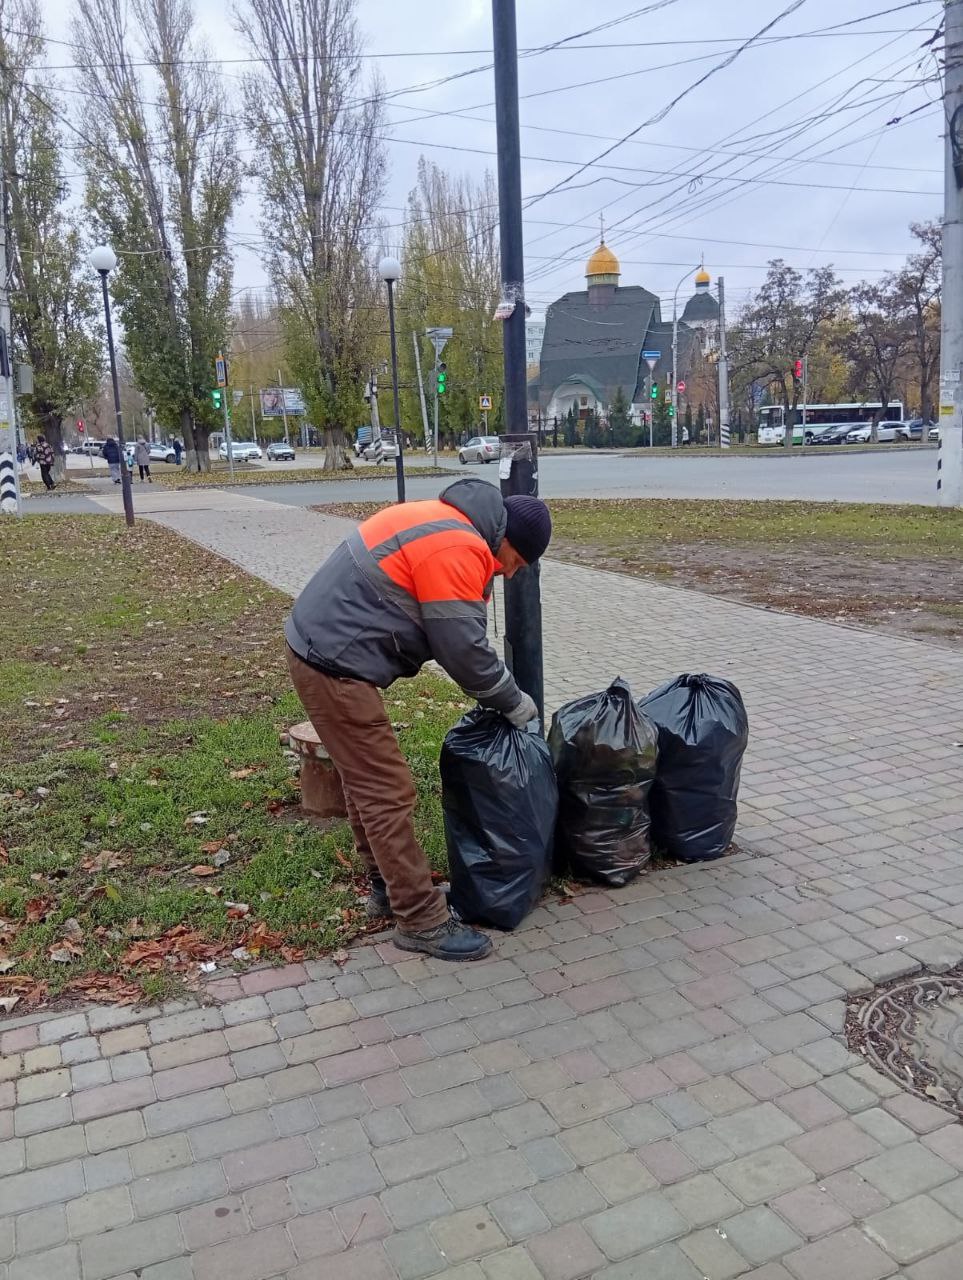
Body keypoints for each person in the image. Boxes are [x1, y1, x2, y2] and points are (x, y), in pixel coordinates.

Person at [285, 477, 552, 962]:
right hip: (333, 663)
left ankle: (388, 889)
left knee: (366, 784)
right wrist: (514, 702)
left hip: (321, 648)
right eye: (517, 563)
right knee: (387, 790)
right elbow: (464, 651)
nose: (512, 574)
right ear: (508, 540)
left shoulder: (447, 521)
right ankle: (420, 920)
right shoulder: (459, 545)